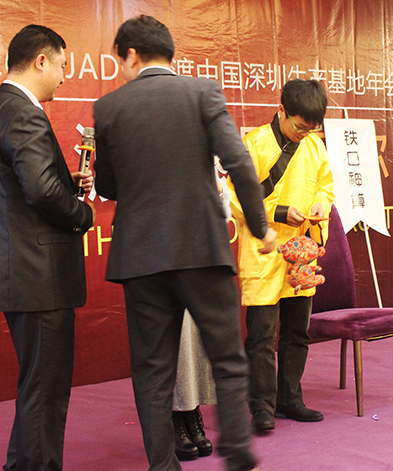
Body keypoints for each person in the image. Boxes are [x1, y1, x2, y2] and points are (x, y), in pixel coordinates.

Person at [93, 15, 276, 471]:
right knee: (227, 355)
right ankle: (237, 447)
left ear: (130, 55)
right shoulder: (203, 92)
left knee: (152, 371)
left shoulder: (109, 107)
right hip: (201, 249)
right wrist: (260, 227)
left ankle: (161, 465)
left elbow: (108, 186)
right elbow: (238, 162)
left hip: (140, 258)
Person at [0, 24, 94, 471]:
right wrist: (83, 214)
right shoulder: (24, 114)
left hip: (19, 272)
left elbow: (25, 188)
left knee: (37, 386)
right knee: (45, 390)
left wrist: (65, 182)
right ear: (41, 61)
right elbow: (41, 193)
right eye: (62, 65)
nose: (64, 76)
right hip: (39, 276)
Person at [228, 79, 334, 434]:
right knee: (261, 336)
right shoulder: (254, 144)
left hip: (301, 251)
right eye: (300, 126)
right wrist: (277, 212)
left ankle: (290, 398)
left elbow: (326, 186)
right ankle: (261, 406)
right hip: (265, 251)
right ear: (281, 111)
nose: (305, 134)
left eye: (311, 128)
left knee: (297, 331)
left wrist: (320, 205)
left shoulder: (315, 147)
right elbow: (235, 196)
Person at [170, 166, 229, 462]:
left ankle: (193, 414)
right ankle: (176, 419)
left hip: (200, 259)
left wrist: (218, 190)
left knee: (196, 343)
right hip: (164, 261)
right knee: (178, 344)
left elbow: (224, 214)